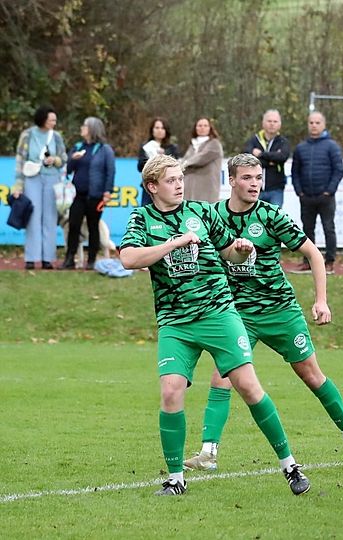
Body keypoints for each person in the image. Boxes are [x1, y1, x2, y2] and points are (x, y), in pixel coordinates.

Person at [118, 154, 310, 497]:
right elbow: (129, 258)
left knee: (249, 388)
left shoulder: (202, 212)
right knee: (170, 391)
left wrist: (242, 249)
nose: (179, 184)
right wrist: (172, 244)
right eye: (171, 180)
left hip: (218, 314)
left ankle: (290, 466)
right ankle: (176, 479)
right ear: (152, 187)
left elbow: (230, 254)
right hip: (175, 321)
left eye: (180, 178)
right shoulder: (142, 218)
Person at [181, 153, 343, 472]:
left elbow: (313, 254)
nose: (255, 184)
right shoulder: (214, 216)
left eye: (258, 178)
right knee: (222, 376)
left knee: (310, 375)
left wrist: (321, 300)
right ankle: (208, 452)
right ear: (232, 180)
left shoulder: (270, 215)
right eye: (247, 178)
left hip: (279, 310)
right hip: (239, 315)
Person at [11, 106, 68, 270]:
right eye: (52, 120)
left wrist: (55, 160)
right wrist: (18, 185)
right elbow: (20, 160)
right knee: (33, 217)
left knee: (50, 218)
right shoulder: (27, 135)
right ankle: (31, 258)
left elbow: (63, 158)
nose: (54, 123)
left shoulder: (56, 137)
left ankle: (47, 259)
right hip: (32, 179)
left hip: (52, 179)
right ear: (43, 119)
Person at [292, 111, 343, 274]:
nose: (314, 125)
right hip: (306, 197)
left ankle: (329, 262)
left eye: (317, 122)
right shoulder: (300, 147)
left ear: (323, 124)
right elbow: (295, 172)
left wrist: (329, 191)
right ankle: (308, 261)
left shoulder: (332, 146)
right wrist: (299, 191)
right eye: (311, 122)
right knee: (307, 230)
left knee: (329, 228)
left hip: (325, 197)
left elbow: (338, 171)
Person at [63, 117, 116, 270]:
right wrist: (73, 158)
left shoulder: (104, 149)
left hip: (96, 195)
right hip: (78, 195)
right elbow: (68, 168)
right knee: (73, 225)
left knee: (93, 227)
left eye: (85, 126)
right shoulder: (78, 147)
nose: (82, 128)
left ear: (93, 129)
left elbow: (110, 172)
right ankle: (69, 259)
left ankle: (91, 260)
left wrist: (108, 192)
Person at [243, 109, 291, 207]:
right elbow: (247, 159)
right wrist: (271, 162)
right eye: (269, 121)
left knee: (274, 221)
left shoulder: (283, 142)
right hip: (254, 189)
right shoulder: (253, 140)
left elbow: (282, 157)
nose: (272, 124)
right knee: (254, 220)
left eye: (275, 121)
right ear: (263, 123)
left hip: (276, 190)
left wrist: (261, 155)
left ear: (280, 124)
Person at [137, 117, 180, 207]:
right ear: (152, 130)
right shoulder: (146, 146)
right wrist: (152, 160)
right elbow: (140, 167)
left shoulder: (172, 148)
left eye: (162, 128)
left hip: (168, 186)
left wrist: (164, 156)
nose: (160, 130)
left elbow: (176, 167)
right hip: (150, 186)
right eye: (157, 128)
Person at [181, 117, 224, 203]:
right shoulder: (192, 145)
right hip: (189, 187)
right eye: (199, 125)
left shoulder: (214, 144)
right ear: (195, 128)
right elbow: (184, 161)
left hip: (206, 187)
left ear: (210, 128)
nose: (202, 128)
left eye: (205, 125)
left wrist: (185, 164)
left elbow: (201, 158)